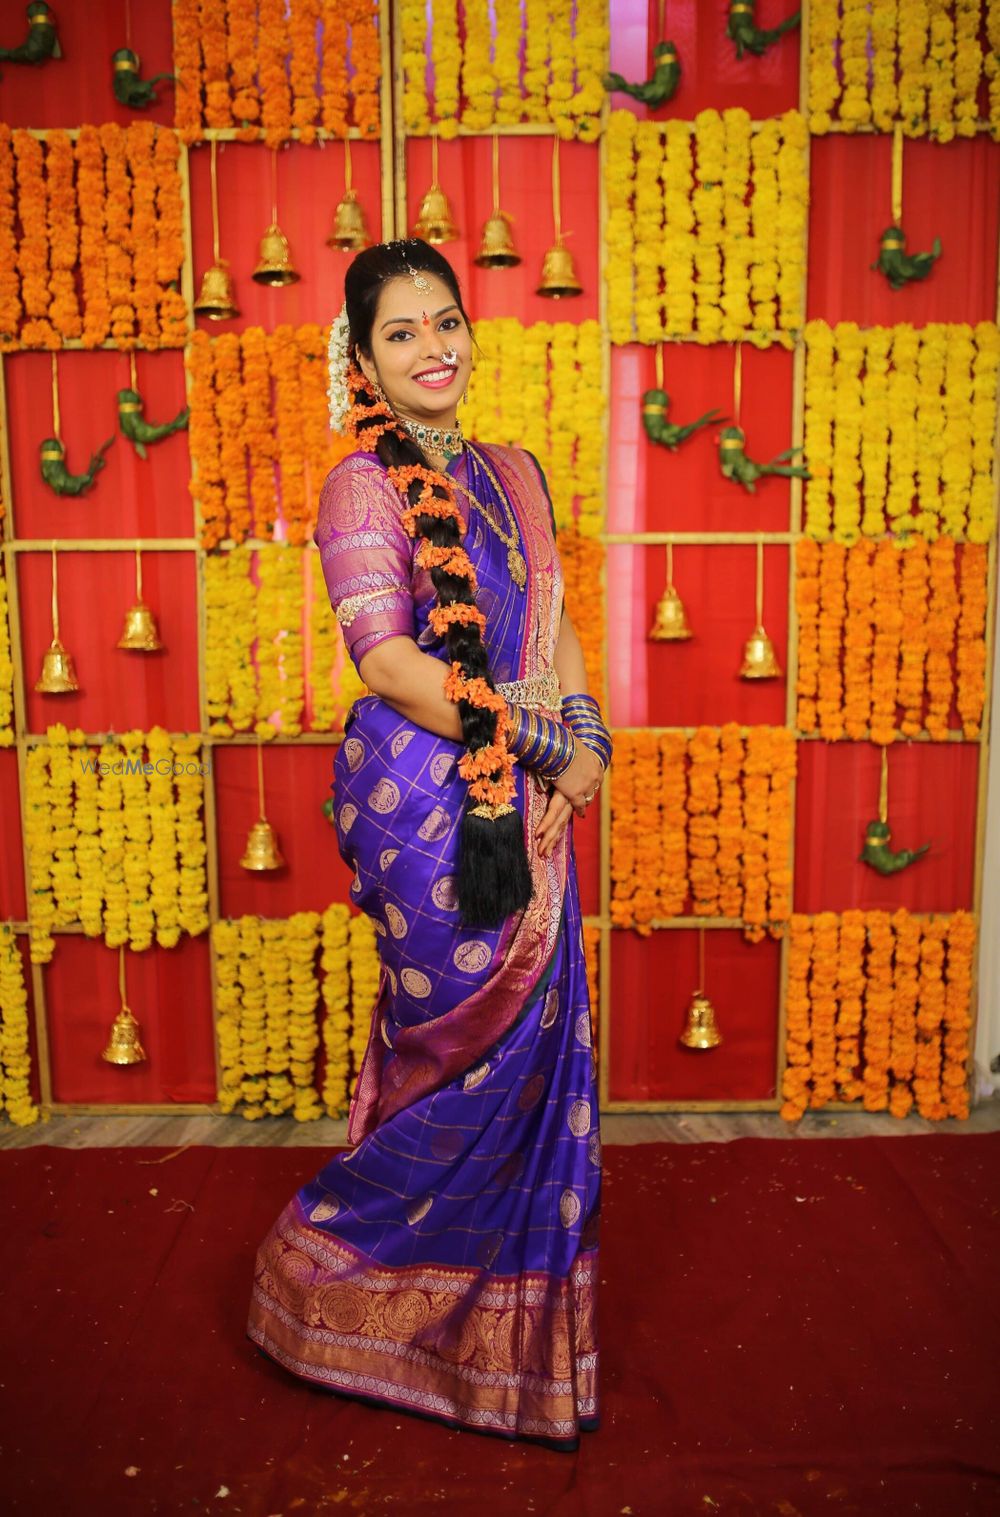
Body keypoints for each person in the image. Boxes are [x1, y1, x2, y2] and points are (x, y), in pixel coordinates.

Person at [246, 238, 612, 1451]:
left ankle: (505, 1342)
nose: (433, 347)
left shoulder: (514, 473)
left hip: (530, 783)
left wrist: (585, 739)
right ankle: (352, 1296)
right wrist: (544, 750)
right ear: (365, 355)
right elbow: (395, 666)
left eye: (444, 320)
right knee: (448, 1054)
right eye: (401, 332)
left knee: (537, 1049)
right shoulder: (361, 485)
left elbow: (554, 624)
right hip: (426, 806)